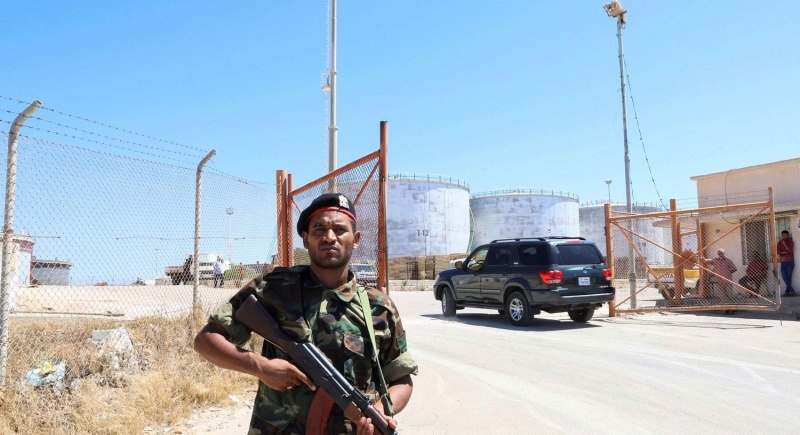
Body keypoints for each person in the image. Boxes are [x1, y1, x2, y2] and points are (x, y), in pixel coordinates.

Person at [193, 193, 418, 434]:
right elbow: (205, 341)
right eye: (319, 229)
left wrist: (380, 412)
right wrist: (261, 366)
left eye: (340, 229)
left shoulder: (379, 307)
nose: (329, 237)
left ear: (356, 239)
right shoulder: (274, 287)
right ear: (305, 239)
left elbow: (402, 378)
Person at [702, 248, 738, 313]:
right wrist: (702, 258)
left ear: (724, 253)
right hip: (720, 281)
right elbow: (705, 261)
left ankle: (730, 309)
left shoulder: (728, 261)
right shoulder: (715, 260)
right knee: (722, 295)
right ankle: (728, 308)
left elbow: (735, 269)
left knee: (729, 295)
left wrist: (728, 272)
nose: (720, 254)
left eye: (721, 253)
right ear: (717, 254)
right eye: (719, 253)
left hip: (728, 280)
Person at [778, 230, 796, 297]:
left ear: (788, 235)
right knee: (785, 277)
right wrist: (785, 251)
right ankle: (791, 291)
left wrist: (784, 245)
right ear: (781, 236)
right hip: (783, 262)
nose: (784, 237)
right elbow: (778, 252)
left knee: (789, 277)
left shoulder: (790, 242)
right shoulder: (779, 243)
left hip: (790, 262)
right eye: (783, 235)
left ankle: (787, 292)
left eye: (785, 235)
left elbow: (790, 251)